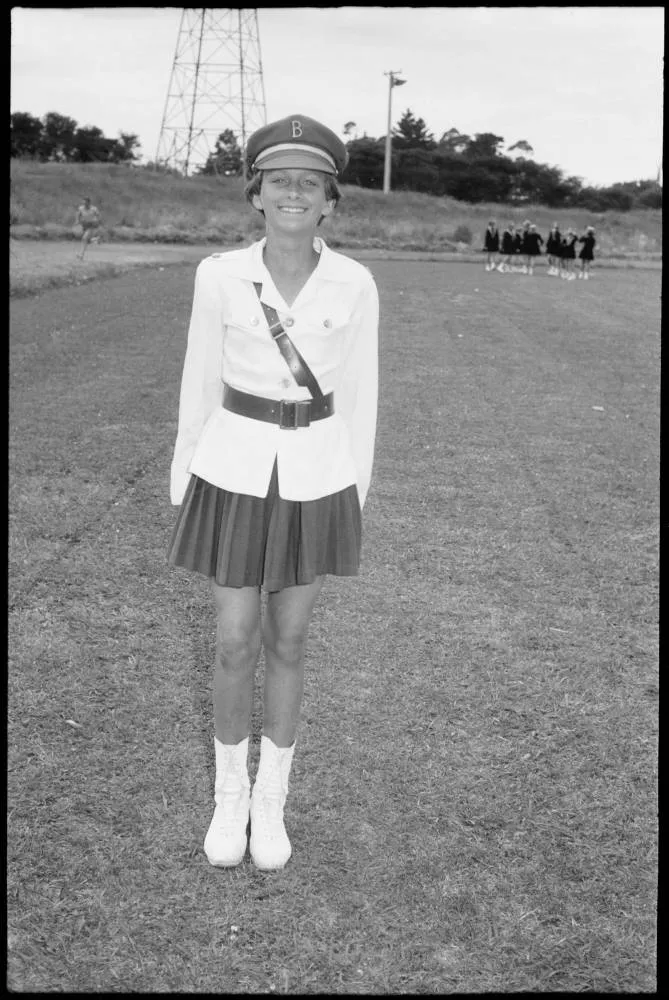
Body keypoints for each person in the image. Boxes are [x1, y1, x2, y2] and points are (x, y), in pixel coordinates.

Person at [167, 114, 379, 872]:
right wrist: (184, 466)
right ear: (256, 193)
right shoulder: (219, 274)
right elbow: (198, 376)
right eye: (279, 180)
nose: (294, 192)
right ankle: (229, 796)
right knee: (233, 639)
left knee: (288, 641)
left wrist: (356, 485)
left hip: (317, 473)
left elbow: (359, 393)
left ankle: (270, 802)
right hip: (231, 468)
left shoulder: (354, 282)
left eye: (311, 183)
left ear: (330, 200)